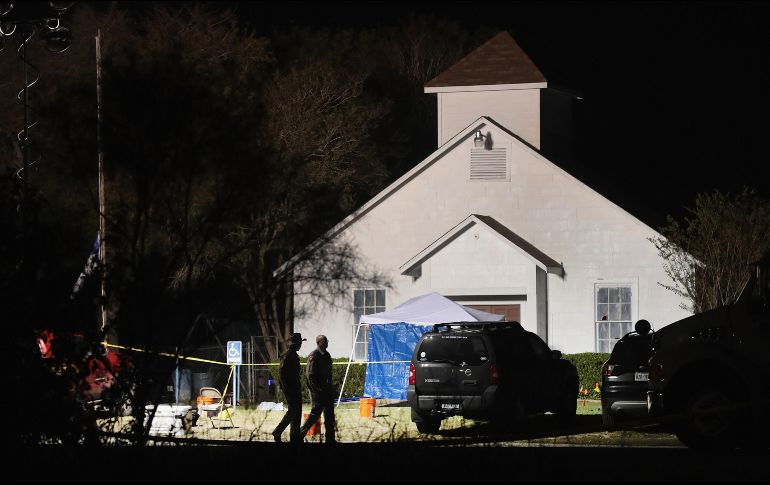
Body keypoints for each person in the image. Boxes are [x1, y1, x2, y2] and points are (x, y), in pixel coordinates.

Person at [299, 334, 336, 444]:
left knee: (329, 415)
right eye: (324, 341)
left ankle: (330, 439)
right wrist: (316, 391)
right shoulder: (313, 356)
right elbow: (310, 376)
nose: (326, 343)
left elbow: (329, 373)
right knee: (315, 414)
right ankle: (300, 435)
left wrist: (330, 387)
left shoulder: (327, 355)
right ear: (318, 343)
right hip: (318, 391)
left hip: (327, 390)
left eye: (326, 341)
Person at [271, 332, 306, 443]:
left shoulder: (293, 355)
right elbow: (282, 374)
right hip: (291, 389)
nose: (300, 345)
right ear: (295, 344)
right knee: (292, 412)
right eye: (299, 343)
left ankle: (294, 437)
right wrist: (287, 389)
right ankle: (277, 431)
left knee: (297, 413)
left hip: (294, 387)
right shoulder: (288, 355)